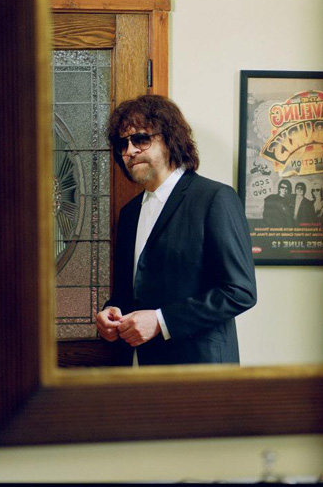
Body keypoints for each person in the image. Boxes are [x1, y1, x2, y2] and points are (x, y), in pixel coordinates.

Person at [95, 94, 257, 366]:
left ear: (170, 140)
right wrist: (110, 312)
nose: (130, 151)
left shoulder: (215, 198)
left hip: (199, 372)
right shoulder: (129, 213)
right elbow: (130, 291)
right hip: (136, 369)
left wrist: (161, 321)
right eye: (123, 144)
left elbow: (240, 291)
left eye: (141, 139)